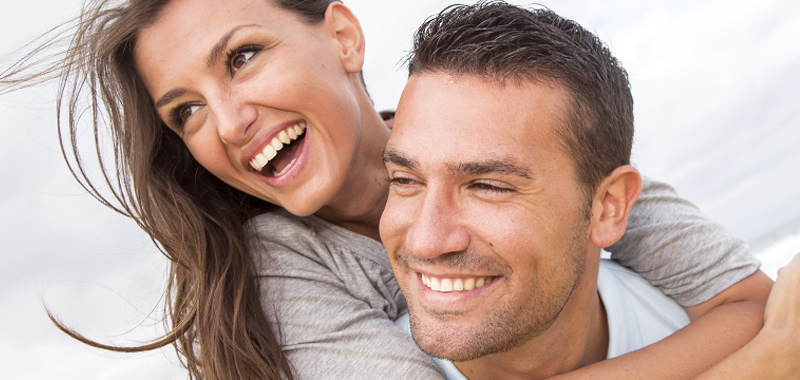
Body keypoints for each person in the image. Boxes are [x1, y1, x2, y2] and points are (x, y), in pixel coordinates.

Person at [0, 0, 773, 378]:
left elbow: (744, 300)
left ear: (342, 36)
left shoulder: (500, 123)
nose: (229, 123)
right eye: (186, 111)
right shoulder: (282, 266)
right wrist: (763, 362)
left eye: (242, 57)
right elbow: (765, 332)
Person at [380, 2, 792, 379]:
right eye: (404, 180)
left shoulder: (719, 329)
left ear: (609, 207)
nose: (427, 239)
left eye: (488, 186)